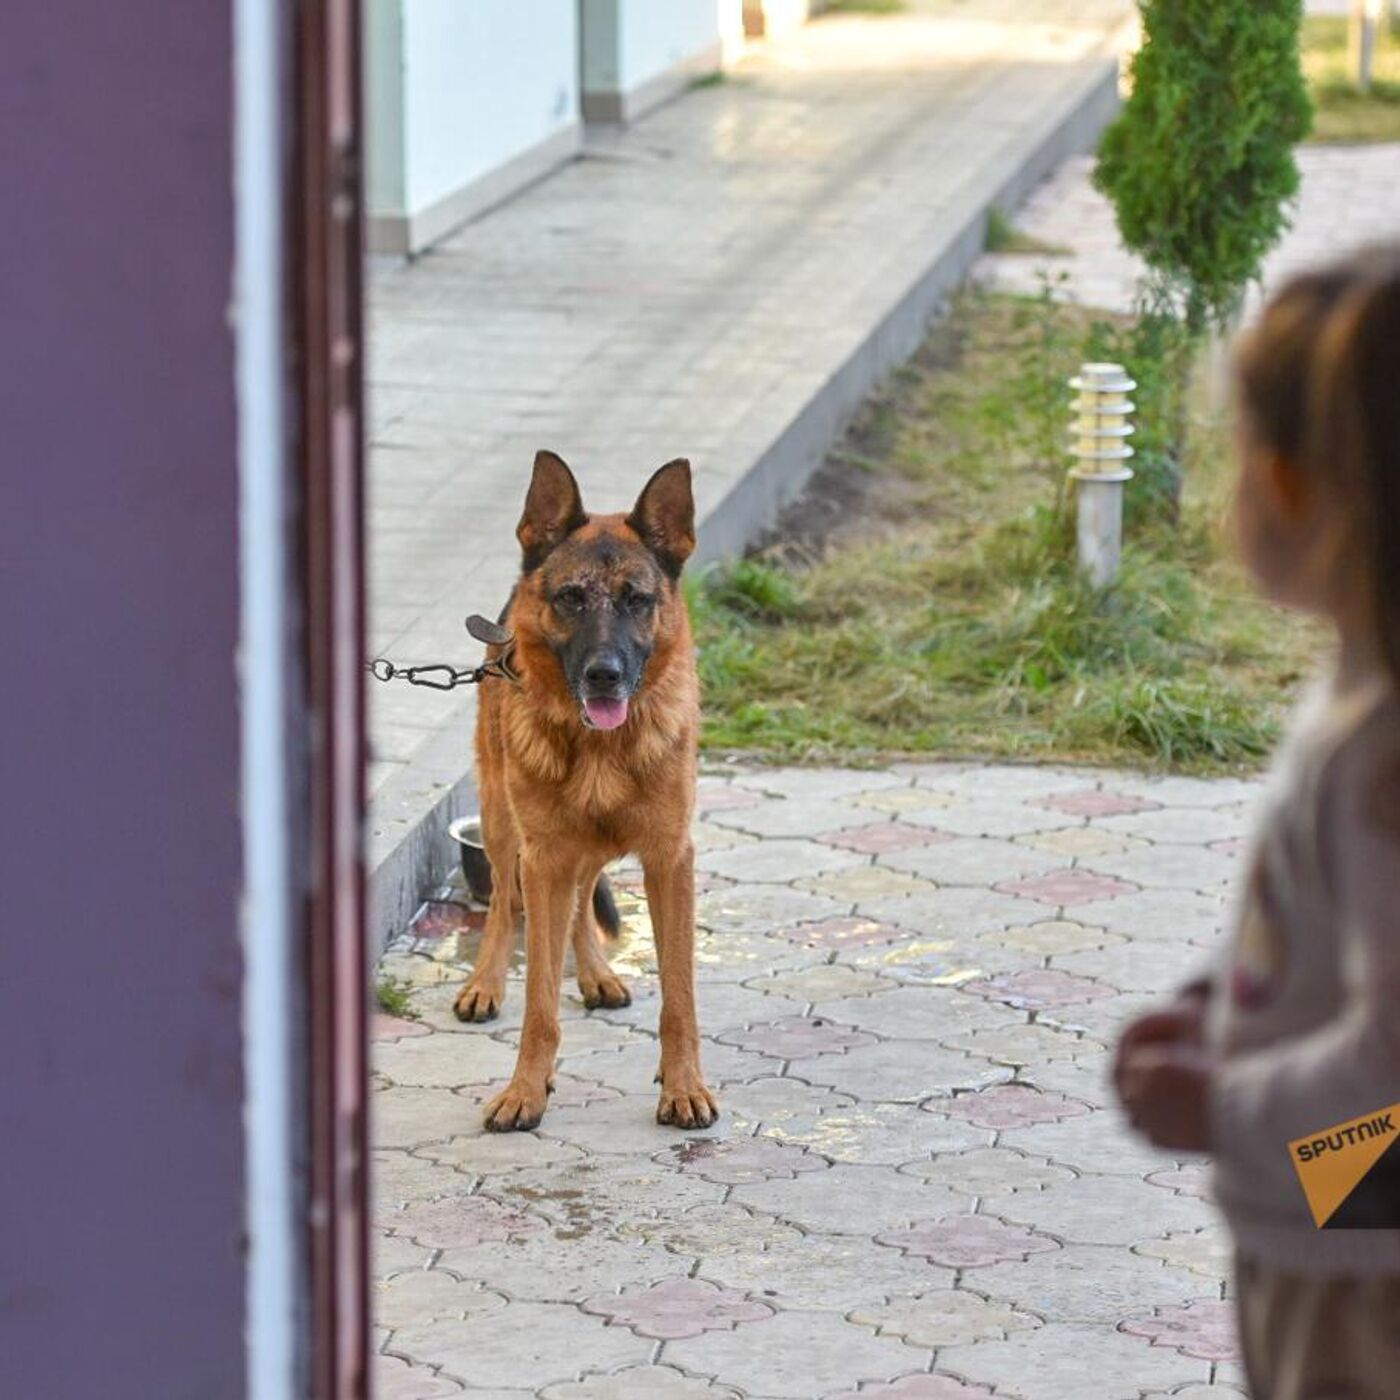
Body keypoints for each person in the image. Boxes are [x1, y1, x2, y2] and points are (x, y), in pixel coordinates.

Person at [1113, 245, 1400, 1399]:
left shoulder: (1380, 760)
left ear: (1286, 488)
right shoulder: (1361, 695)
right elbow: (1322, 931)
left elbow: (1391, 1071)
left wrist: (1221, 1105)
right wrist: (1218, 991)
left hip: (1360, 1274)